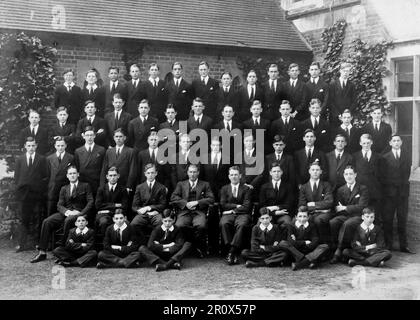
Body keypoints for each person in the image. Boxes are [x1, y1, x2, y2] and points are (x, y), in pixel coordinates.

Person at [31, 166, 94, 263]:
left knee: (69, 220)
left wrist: (81, 213)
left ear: (78, 174)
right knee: (47, 221)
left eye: (74, 173)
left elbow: (90, 202)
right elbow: (59, 205)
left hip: (81, 213)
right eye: (70, 174)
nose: (72, 175)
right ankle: (42, 252)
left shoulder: (85, 186)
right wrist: (67, 212)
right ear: (67, 176)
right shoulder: (64, 188)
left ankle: (63, 248)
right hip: (67, 212)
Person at [170, 164, 215, 257]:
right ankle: (185, 247)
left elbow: (211, 199)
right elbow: (173, 197)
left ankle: (196, 247)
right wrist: (185, 203)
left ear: (198, 173)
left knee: (201, 226)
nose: (192, 174)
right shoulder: (181, 184)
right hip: (184, 212)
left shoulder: (205, 184)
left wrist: (197, 202)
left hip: (199, 212)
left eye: (194, 172)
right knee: (179, 225)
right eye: (190, 172)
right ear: (187, 173)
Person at [381, 135, 414, 253]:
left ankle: (403, 246)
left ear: (401, 142)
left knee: (402, 219)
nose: (396, 142)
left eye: (398, 140)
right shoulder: (385, 157)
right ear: (390, 143)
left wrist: (401, 185)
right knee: (388, 219)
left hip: (403, 193)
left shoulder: (407, 156)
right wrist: (392, 185)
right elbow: (383, 176)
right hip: (389, 194)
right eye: (394, 141)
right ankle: (388, 245)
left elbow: (407, 174)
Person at [14, 137, 48, 252]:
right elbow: (17, 177)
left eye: (33, 145)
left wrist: (39, 189)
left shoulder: (42, 159)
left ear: (36, 146)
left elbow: (45, 176)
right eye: (29, 146)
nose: (31, 148)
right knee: (23, 219)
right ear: (25, 146)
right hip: (23, 195)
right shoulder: (20, 159)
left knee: (38, 218)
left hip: (37, 194)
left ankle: (38, 243)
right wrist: (20, 190)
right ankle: (21, 244)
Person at [329, 165, 369, 264]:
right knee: (333, 222)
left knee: (347, 223)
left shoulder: (363, 188)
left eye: (351, 174)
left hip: (358, 216)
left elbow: (362, 207)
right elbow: (338, 208)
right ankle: (337, 249)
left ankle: (338, 251)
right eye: (346, 174)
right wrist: (345, 209)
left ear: (355, 175)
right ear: (343, 176)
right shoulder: (340, 190)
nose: (348, 176)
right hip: (345, 215)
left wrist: (345, 207)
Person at [219, 166, 252, 265]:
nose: (234, 177)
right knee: (224, 223)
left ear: (240, 176)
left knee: (241, 225)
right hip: (228, 215)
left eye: (236, 175)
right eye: (232, 175)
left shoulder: (246, 188)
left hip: (243, 214)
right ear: (229, 176)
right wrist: (237, 206)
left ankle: (232, 251)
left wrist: (232, 211)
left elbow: (246, 206)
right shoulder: (224, 188)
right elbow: (223, 204)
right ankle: (232, 251)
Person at [279, 206, 330, 270]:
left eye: (304, 216)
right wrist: (305, 242)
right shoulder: (291, 226)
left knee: (324, 246)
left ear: (308, 217)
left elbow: (315, 241)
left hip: (309, 251)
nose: (302, 219)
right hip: (296, 252)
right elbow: (291, 242)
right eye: (300, 216)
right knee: (282, 243)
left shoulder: (312, 226)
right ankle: (308, 261)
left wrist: (297, 242)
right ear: (296, 217)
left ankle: (299, 264)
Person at [298, 161, 334, 244]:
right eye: (313, 169)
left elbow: (329, 202)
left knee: (318, 220)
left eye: (317, 170)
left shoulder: (326, 185)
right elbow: (302, 205)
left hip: (324, 214)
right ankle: (308, 243)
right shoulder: (303, 187)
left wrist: (312, 204)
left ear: (321, 172)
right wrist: (320, 209)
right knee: (303, 220)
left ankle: (323, 244)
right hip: (312, 213)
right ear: (309, 171)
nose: (315, 172)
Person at [352, 134, 383, 225]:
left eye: (368, 143)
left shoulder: (378, 157)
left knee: (374, 215)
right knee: (360, 214)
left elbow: (381, 175)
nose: (366, 145)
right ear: (360, 143)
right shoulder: (355, 156)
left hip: (374, 191)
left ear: (372, 143)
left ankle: (374, 236)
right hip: (360, 190)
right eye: (364, 143)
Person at [131, 163, 167, 237]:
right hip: (143, 214)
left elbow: (163, 205)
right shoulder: (139, 187)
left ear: (156, 173)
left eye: (152, 173)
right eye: (148, 173)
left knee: (161, 223)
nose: (150, 175)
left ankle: (155, 241)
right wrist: (142, 211)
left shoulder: (161, 187)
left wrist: (150, 208)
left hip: (156, 213)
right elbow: (134, 206)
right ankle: (143, 241)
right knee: (133, 224)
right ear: (145, 174)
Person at [100, 128, 137, 192]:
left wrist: (129, 185)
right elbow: (104, 169)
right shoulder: (109, 151)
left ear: (124, 138)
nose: (118, 138)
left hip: (124, 184)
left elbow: (132, 170)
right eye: (116, 136)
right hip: (111, 184)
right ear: (114, 138)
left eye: (120, 136)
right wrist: (102, 186)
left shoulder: (130, 151)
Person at [95, 167, 129, 236]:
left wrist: (107, 210)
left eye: (114, 175)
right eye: (110, 175)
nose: (112, 177)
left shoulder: (123, 189)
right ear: (107, 177)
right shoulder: (101, 189)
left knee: (126, 223)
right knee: (103, 222)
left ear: (118, 176)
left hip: (117, 214)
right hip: (103, 215)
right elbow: (98, 205)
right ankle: (105, 242)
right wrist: (115, 205)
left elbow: (125, 205)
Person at [259, 162, 294, 229]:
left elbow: (289, 204)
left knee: (287, 223)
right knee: (261, 224)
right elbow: (262, 206)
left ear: (282, 172)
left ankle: (286, 239)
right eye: (274, 171)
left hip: (283, 214)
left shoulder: (288, 186)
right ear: (270, 173)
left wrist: (275, 207)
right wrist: (275, 213)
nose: (276, 173)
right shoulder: (264, 187)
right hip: (268, 215)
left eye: (278, 171)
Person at [74, 126, 106, 197]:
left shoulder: (101, 150)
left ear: (94, 136)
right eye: (87, 135)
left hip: (96, 182)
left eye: (91, 135)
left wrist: (102, 184)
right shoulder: (78, 151)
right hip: (83, 182)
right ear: (83, 136)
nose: (89, 137)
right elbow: (77, 168)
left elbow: (103, 168)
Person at [46, 137, 74, 216]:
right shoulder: (49, 158)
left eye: (62, 145)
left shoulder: (71, 157)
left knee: (64, 211)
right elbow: (47, 175)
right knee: (51, 211)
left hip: (64, 187)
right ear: (55, 146)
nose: (60, 147)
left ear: (66, 146)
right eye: (58, 146)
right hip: (53, 189)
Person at [328, 62, 357, 128]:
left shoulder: (352, 85)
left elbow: (354, 101)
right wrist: (338, 114)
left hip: (347, 118)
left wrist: (347, 114)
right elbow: (330, 101)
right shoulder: (333, 84)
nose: (346, 73)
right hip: (335, 116)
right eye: (344, 71)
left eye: (348, 71)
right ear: (340, 71)